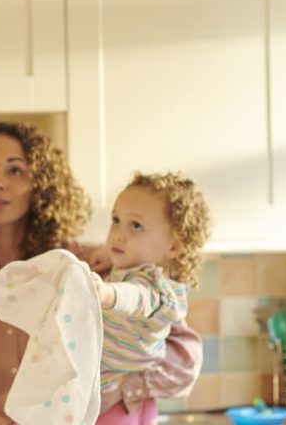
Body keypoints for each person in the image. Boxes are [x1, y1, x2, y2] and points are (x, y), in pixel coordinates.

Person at [0, 121, 202, 424]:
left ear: (41, 184)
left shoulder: (86, 266)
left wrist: (116, 389)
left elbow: (184, 363)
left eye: (15, 170)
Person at [90, 172, 210, 425]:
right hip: (112, 399)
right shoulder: (128, 270)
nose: (118, 234)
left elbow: (137, 298)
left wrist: (107, 294)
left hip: (119, 407)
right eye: (116, 220)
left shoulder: (159, 289)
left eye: (136, 226)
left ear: (174, 247)